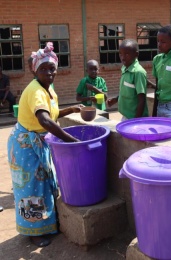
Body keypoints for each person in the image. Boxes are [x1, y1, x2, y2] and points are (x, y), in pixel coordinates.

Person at [7, 42, 83, 247]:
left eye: (52, 68)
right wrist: (74, 141)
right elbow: (45, 120)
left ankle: (47, 224)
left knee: (45, 185)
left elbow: (52, 114)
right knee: (31, 188)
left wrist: (71, 110)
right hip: (26, 146)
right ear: (35, 71)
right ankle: (33, 232)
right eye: (43, 69)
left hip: (37, 141)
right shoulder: (36, 90)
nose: (49, 72)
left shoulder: (47, 88)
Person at [107, 39, 148, 120]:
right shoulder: (125, 68)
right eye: (120, 54)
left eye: (127, 54)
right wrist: (116, 99)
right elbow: (129, 92)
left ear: (136, 54)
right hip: (126, 115)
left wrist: (136, 121)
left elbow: (141, 99)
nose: (123, 58)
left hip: (135, 118)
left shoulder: (138, 72)